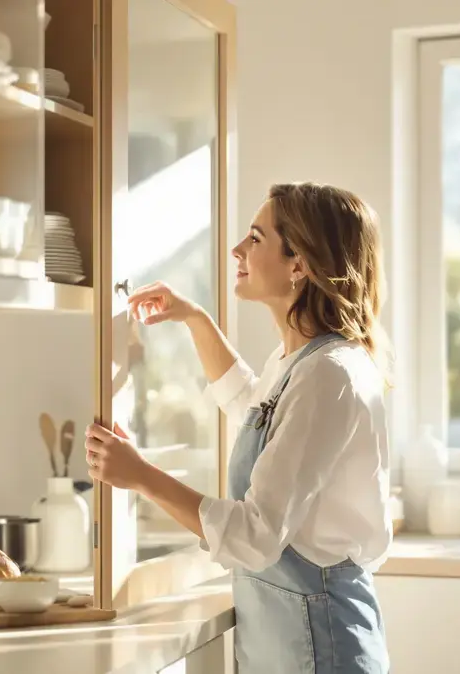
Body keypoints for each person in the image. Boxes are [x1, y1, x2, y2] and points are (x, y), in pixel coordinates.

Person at [84, 182, 392, 673]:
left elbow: (255, 534)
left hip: (321, 648)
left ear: (299, 265)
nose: (236, 250)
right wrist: (196, 320)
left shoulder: (331, 374)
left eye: (255, 237)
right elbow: (252, 404)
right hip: (288, 639)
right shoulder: (301, 361)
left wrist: (140, 476)